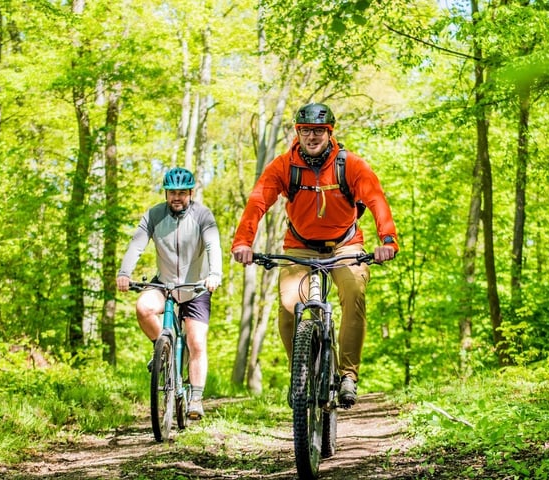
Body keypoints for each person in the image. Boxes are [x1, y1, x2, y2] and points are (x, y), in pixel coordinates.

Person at [231, 102, 398, 407]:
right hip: (300, 244)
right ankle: (304, 372)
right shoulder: (284, 166)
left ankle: (347, 375)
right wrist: (243, 242)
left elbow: (375, 199)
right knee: (287, 307)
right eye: (306, 130)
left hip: (345, 245)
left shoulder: (350, 165)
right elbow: (258, 202)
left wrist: (387, 239)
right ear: (298, 132)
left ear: (329, 133)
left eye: (319, 131)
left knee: (354, 290)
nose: (312, 136)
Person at [116, 167, 223, 420]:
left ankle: (195, 398)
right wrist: (124, 272)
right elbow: (136, 245)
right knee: (143, 308)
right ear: (166, 194)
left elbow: (213, 246)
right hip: (164, 283)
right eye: (172, 192)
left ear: (190, 193)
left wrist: (215, 274)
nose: (177, 197)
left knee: (196, 341)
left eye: (182, 193)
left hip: (197, 287)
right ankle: (161, 349)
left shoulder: (203, 215)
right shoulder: (154, 215)